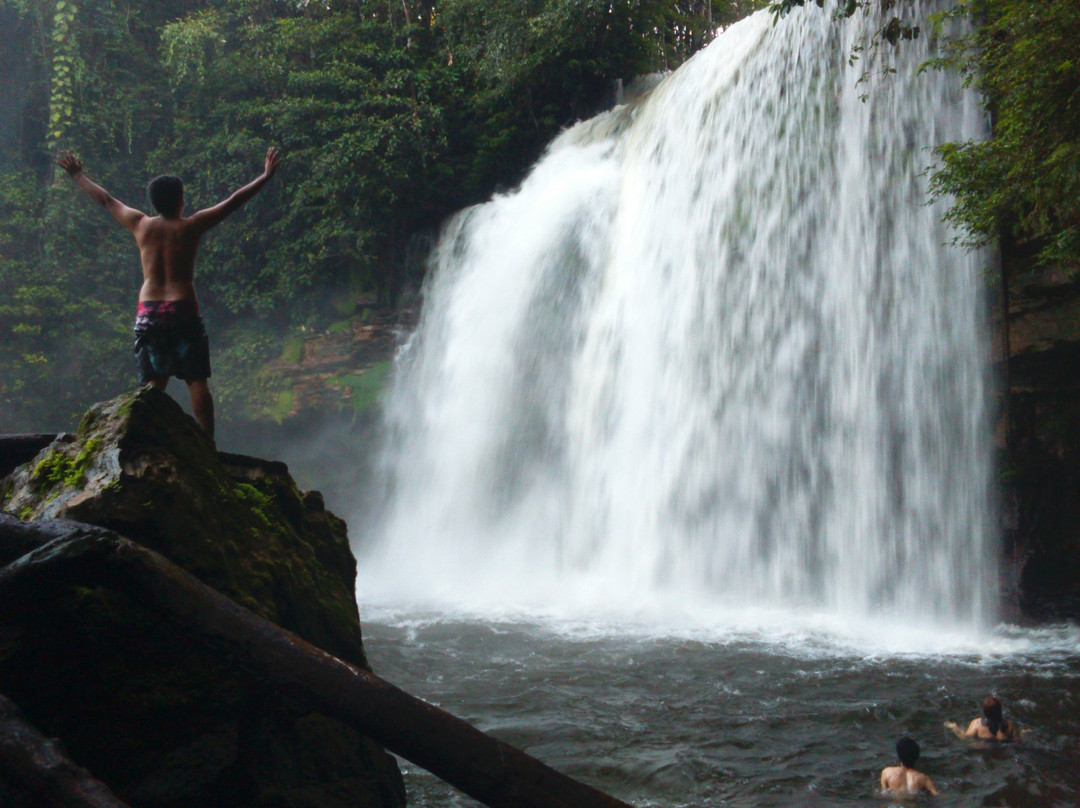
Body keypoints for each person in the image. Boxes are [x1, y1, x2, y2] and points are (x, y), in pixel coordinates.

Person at [56, 147, 282, 441]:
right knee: (196, 379)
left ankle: (139, 438)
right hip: (182, 308)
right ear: (181, 200)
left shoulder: (140, 224)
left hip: (149, 311)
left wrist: (78, 175)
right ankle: (207, 443)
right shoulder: (191, 226)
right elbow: (233, 201)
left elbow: (107, 200)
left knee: (153, 382)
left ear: (154, 202)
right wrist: (265, 176)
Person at [944, 695, 1022, 742]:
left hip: (984, 751)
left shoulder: (977, 723)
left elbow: (965, 737)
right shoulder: (1009, 725)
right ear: (1000, 710)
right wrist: (1024, 732)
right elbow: (1017, 739)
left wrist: (954, 727)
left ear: (985, 711)